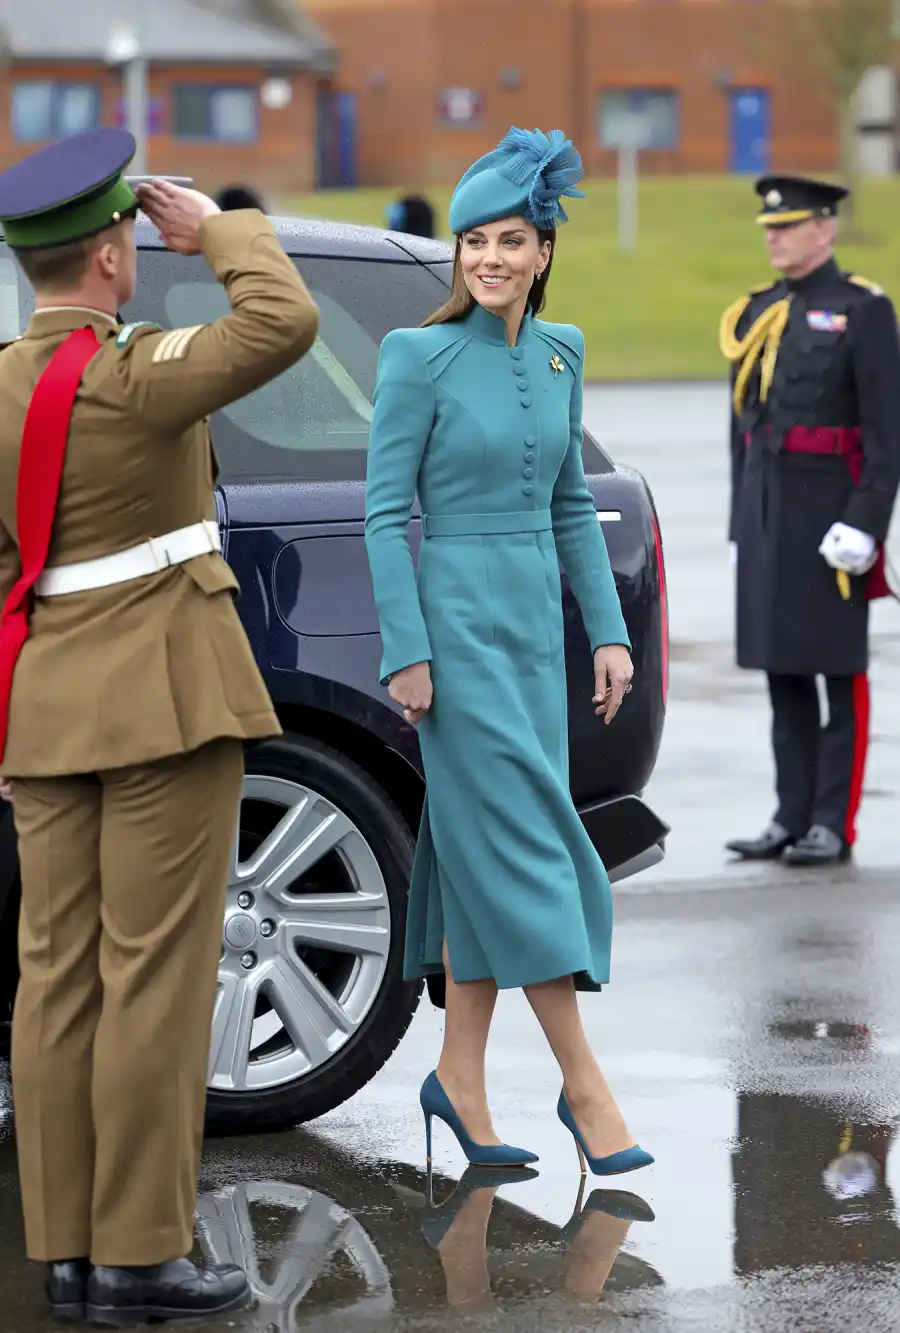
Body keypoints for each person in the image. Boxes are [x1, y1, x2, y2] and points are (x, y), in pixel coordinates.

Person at [0, 128, 319, 1321]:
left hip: (45, 710)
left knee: (54, 984)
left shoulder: (3, 380)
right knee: (153, 979)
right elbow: (280, 322)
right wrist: (224, 230)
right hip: (160, 703)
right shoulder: (131, 373)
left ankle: (69, 1248)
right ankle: (139, 1251)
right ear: (114, 257)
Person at [364, 127, 654, 1177]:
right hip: (455, 630)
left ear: (542, 253)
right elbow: (382, 511)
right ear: (457, 252)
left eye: (512, 240)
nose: (490, 257)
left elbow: (574, 502)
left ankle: (461, 1078)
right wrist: (407, 649)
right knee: (531, 849)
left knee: (478, 850)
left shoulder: (563, 349)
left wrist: (609, 633)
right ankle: (588, 1087)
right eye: (474, 239)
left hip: (535, 630)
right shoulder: (416, 355)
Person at [720, 175, 900, 868]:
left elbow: (887, 434)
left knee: (836, 670)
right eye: (769, 227)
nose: (774, 236)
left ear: (825, 230)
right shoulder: (758, 312)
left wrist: (866, 522)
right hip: (770, 514)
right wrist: (742, 527)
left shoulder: (862, 311)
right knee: (782, 670)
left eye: (788, 226)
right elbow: (742, 431)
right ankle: (789, 815)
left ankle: (834, 821)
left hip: (833, 518)